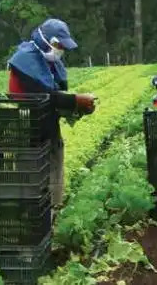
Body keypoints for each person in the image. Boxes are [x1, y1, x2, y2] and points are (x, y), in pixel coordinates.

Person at [7, 18, 96, 206]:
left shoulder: (49, 62)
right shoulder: (24, 61)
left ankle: (51, 219)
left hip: (49, 129)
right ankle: (40, 222)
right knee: (35, 185)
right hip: (28, 131)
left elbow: (57, 94)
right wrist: (75, 100)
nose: (60, 50)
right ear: (44, 39)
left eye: (63, 46)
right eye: (58, 44)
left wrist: (77, 107)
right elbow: (44, 95)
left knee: (54, 178)